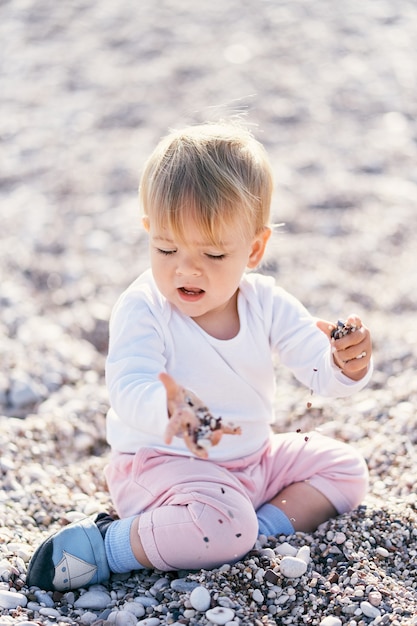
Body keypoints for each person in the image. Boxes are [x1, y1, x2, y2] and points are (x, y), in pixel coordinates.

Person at [27, 121, 372, 592]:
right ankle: (108, 545)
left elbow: (317, 370)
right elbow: (128, 385)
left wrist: (343, 363)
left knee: (344, 467)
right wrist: (166, 405)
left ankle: (256, 531)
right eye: (166, 248)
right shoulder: (144, 307)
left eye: (212, 254)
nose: (185, 267)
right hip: (162, 464)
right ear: (149, 232)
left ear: (253, 248)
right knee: (223, 520)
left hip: (253, 459)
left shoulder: (265, 302)